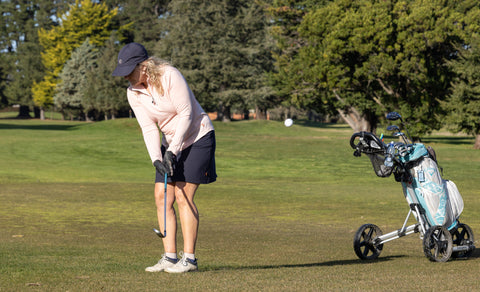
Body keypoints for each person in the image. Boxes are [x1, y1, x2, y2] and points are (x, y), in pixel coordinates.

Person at [112, 42, 217, 273]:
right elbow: (149, 128)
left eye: (130, 71)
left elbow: (186, 113)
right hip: (171, 143)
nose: (126, 77)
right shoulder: (133, 92)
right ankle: (169, 257)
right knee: (161, 195)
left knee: (182, 194)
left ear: (145, 66)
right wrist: (156, 159)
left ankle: (189, 260)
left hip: (197, 137)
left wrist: (173, 150)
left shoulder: (170, 76)